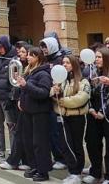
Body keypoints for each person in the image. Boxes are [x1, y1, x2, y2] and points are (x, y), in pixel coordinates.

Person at [51, 55, 90, 184]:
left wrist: (61, 101)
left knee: (76, 145)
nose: (65, 65)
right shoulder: (61, 80)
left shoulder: (83, 81)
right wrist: (54, 91)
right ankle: (72, 170)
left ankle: (77, 172)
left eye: (67, 62)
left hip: (76, 118)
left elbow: (80, 99)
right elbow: (51, 93)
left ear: (74, 65)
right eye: (63, 62)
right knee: (65, 144)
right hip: (62, 117)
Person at [17, 46, 53, 182]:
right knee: (29, 141)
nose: (27, 57)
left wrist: (26, 85)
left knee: (40, 143)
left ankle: (43, 171)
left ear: (37, 57)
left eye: (30, 55)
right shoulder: (30, 71)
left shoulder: (43, 74)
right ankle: (34, 166)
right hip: (28, 111)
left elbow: (43, 93)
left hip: (39, 113)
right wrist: (21, 99)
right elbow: (25, 90)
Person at [0, 42, 30, 171]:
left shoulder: (30, 68)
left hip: (25, 103)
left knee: (21, 133)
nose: (20, 54)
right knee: (19, 132)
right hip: (16, 101)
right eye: (20, 51)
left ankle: (15, 160)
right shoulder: (16, 65)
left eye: (23, 52)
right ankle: (22, 160)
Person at [82, 47, 109, 184]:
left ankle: (108, 176)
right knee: (92, 143)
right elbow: (88, 93)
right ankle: (95, 173)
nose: (97, 59)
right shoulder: (92, 73)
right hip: (93, 114)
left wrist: (104, 112)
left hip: (106, 116)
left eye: (100, 57)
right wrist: (91, 109)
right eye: (96, 57)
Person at [41, 36, 67, 171]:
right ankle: (57, 156)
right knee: (51, 131)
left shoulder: (60, 60)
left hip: (58, 101)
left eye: (46, 46)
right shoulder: (46, 60)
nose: (44, 49)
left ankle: (62, 158)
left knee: (57, 132)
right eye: (42, 47)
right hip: (48, 99)